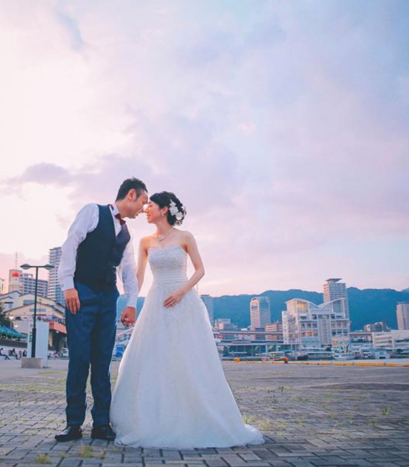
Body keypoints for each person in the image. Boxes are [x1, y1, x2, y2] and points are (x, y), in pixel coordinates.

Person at [109, 192, 264, 448]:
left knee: (187, 357)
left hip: (182, 300)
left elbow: (200, 270)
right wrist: (129, 301)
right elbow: (139, 277)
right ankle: (153, 417)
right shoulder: (145, 241)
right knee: (153, 356)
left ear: (164, 210)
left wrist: (182, 292)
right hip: (156, 301)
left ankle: (194, 415)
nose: (146, 210)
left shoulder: (185, 237)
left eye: (151, 206)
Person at [54, 177, 149, 443]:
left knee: (103, 361)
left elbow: (128, 270)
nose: (143, 209)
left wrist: (131, 303)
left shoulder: (127, 234)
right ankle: (73, 424)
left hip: (108, 298)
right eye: (143, 201)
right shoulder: (92, 212)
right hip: (81, 293)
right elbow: (70, 244)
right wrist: (68, 286)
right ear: (131, 194)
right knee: (79, 359)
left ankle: (101, 423)